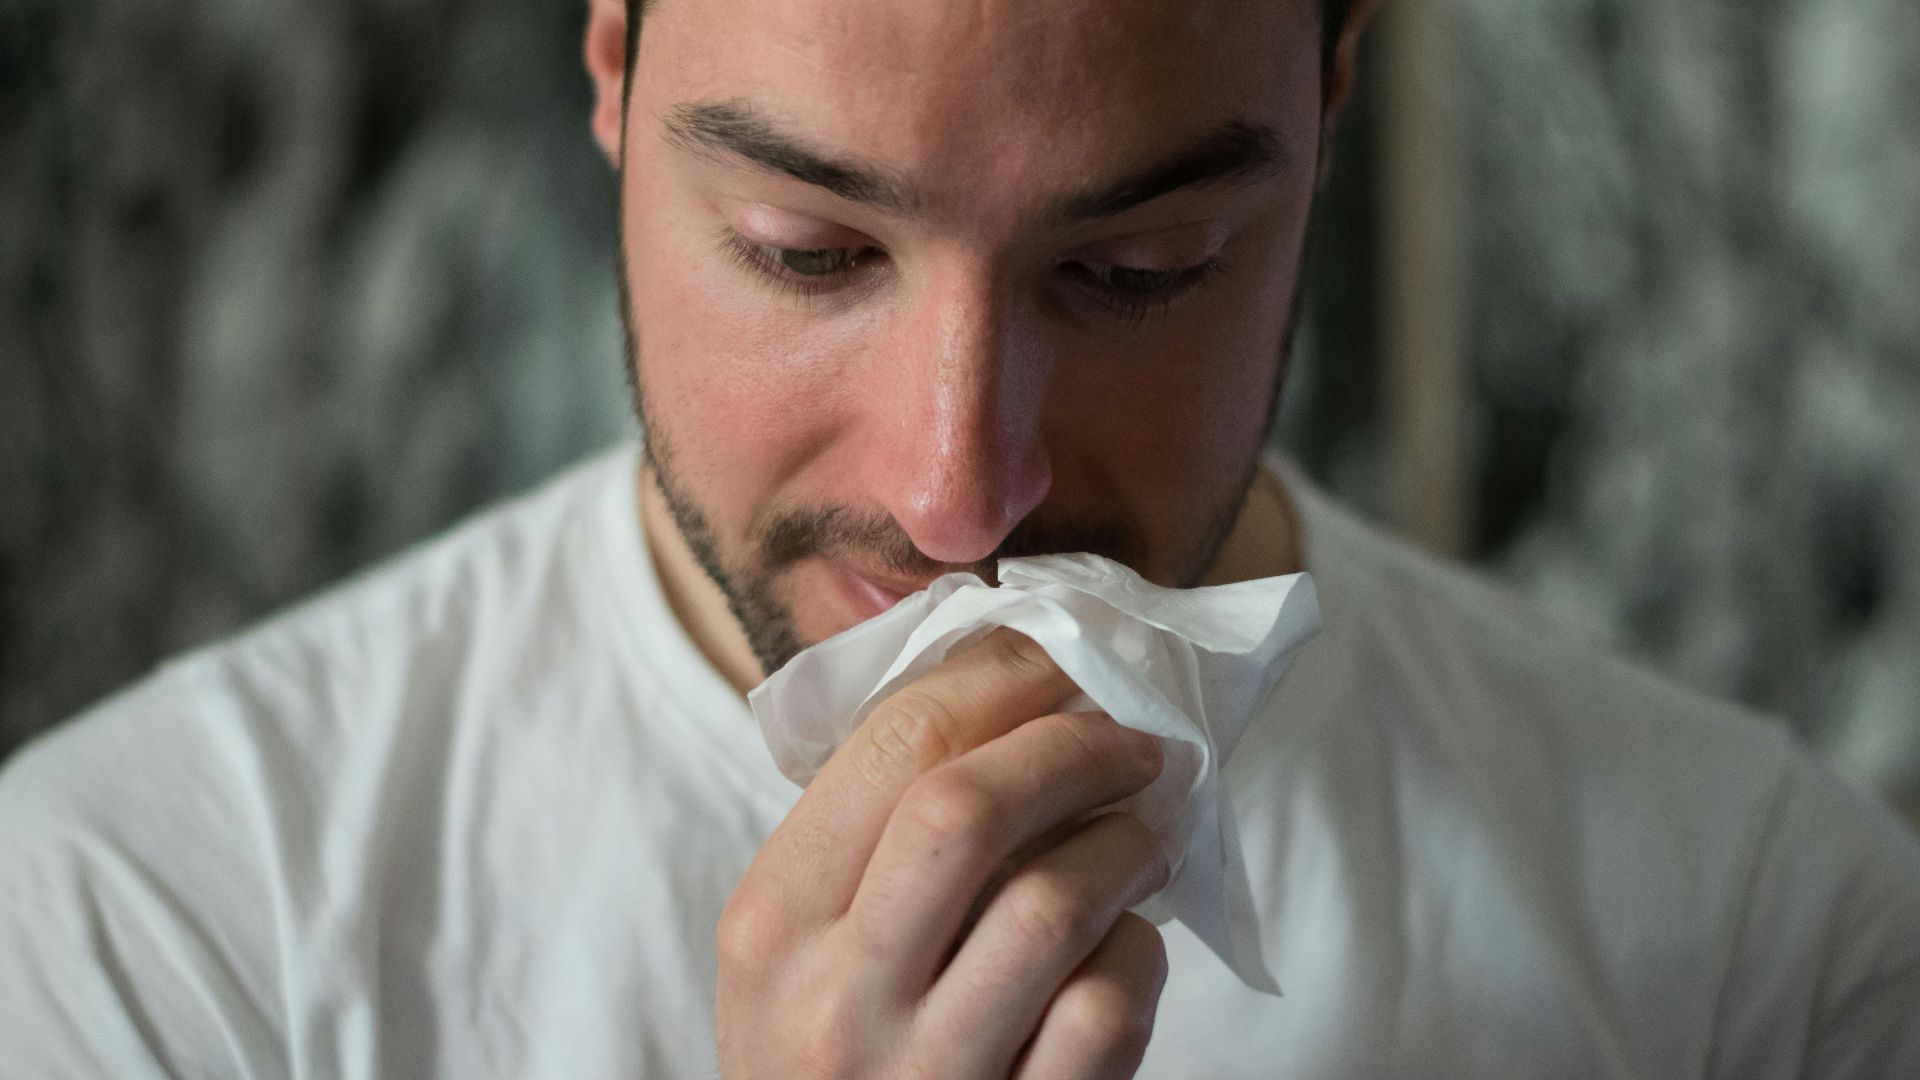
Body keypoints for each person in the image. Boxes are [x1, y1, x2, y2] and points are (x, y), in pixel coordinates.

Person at [2, 0, 1917, 1075]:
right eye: (809, 254)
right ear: (611, 74)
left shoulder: (1763, 948)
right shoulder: (149, 937)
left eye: (1139, 271)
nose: (959, 494)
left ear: (1327, 114)